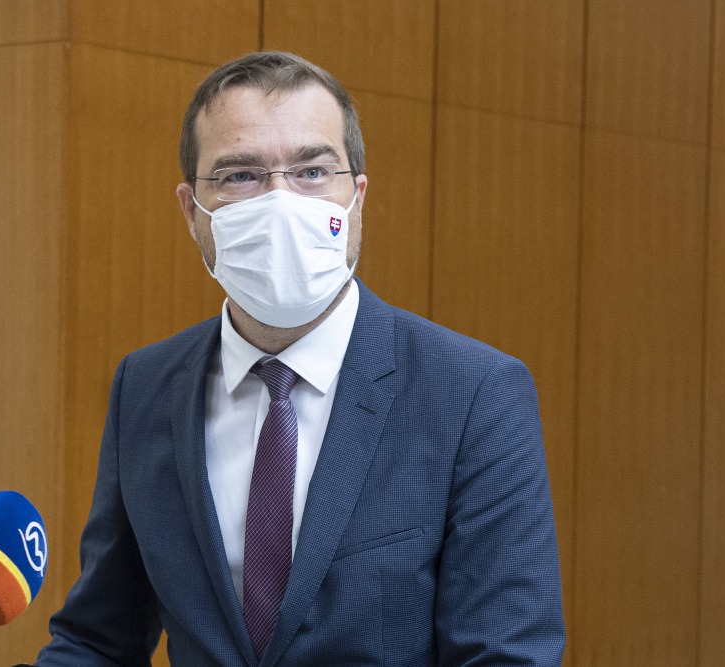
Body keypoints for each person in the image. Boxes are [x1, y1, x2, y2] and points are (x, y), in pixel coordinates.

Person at [36, 51, 564, 666]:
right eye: (241, 175)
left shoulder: (473, 392)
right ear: (191, 211)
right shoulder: (148, 385)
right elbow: (99, 640)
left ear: (356, 198)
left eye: (312, 171)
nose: (280, 202)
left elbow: (506, 654)